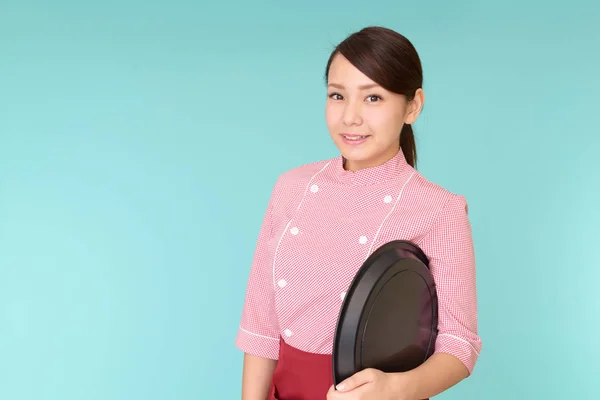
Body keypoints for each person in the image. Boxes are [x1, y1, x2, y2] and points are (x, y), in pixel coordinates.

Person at [235, 26, 482, 400]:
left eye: (373, 98)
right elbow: (261, 325)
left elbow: (459, 343)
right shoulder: (291, 187)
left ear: (412, 106)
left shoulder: (440, 210)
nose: (350, 117)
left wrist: (397, 388)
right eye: (338, 95)